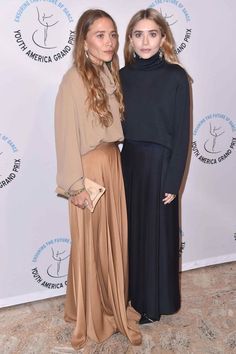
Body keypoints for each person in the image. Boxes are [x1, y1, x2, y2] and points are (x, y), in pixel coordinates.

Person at [54, 9, 142, 349]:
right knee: (92, 244)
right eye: (101, 35)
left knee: (112, 242)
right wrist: (74, 186)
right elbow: (65, 136)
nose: (110, 42)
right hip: (89, 172)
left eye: (113, 34)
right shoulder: (74, 79)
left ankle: (108, 304)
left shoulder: (109, 74)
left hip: (112, 164)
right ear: (85, 40)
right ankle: (92, 316)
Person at [120, 8, 190, 324]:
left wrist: (172, 182)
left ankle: (156, 303)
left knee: (158, 238)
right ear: (130, 39)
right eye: (138, 34)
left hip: (161, 166)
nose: (145, 41)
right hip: (129, 162)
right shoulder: (122, 76)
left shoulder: (176, 77)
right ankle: (135, 295)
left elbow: (182, 132)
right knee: (134, 234)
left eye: (152, 34)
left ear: (163, 38)